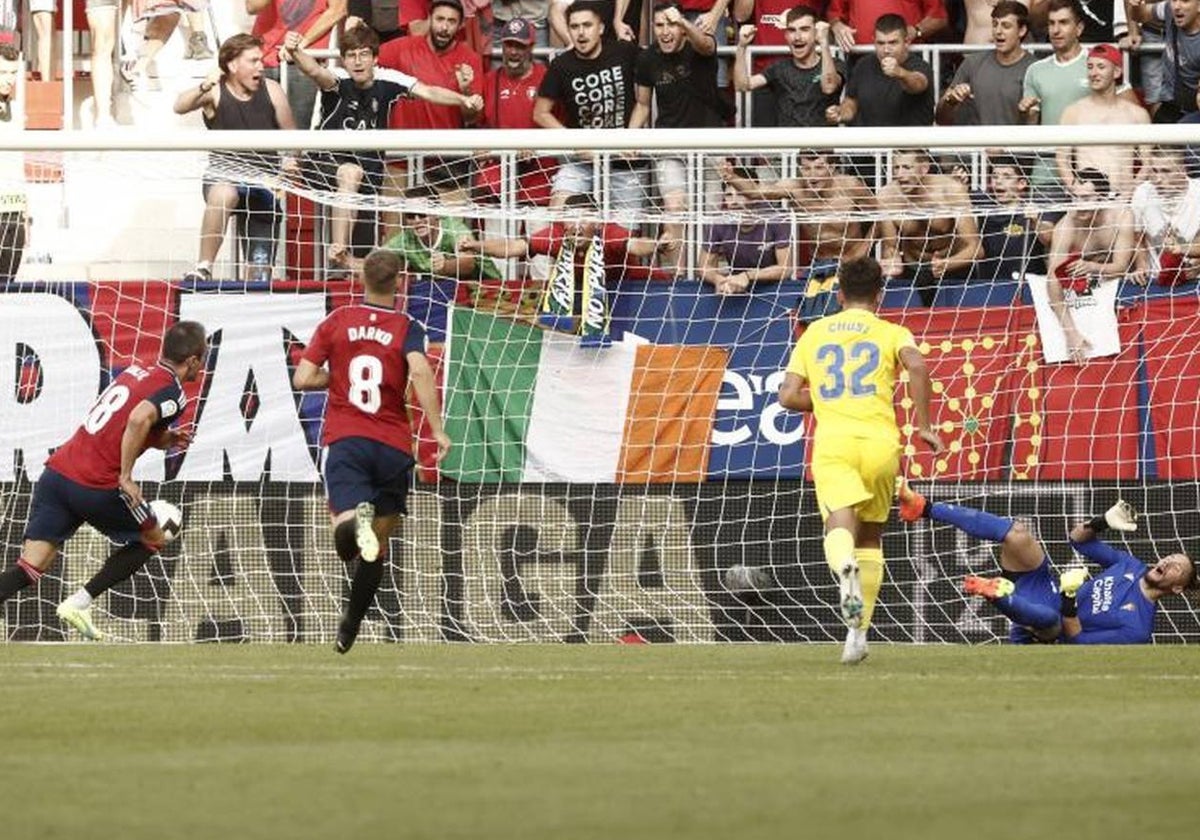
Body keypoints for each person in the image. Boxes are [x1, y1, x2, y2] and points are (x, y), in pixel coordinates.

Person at [778, 256, 945, 664]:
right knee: (871, 536)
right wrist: (924, 425)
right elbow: (919, 366)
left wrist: (826, 399)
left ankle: (844, 568)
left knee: (840, 523)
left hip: (835, 441)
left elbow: (786, 396)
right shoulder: (892, 330)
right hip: (881, 444)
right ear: (879, 296)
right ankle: (857, 636)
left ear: (838, 295)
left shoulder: (815, 332)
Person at [0, 321, 208, 640]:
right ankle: (79, 603)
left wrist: (161, 439)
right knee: (155, 536)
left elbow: (124, 424)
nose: (202, 365)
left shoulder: (134, 371)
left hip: (57, 476)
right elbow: (138, 418)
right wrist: (125, 477)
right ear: (192, 360)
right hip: (96, 485)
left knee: (30, 566)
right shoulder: (173, 392)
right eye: (203, 357)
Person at [293, 249, 451, 654]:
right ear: (399, 283)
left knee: (346, 538)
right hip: (395, 448)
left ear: (361, 280)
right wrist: (437, 430)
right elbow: (419, 371)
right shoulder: (408, 326)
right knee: (374, 549)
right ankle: (350, 627)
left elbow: (303, 377)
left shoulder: (337, 320)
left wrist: (336, 378)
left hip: (348, 441)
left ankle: (353, 520)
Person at [287, 24, 482, 272]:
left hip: (369, 174)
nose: (357, 62)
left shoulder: (389, 79)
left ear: (375, 58)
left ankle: (349, 280)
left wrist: (463, 99)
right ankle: (337, 251)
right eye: (351, 55)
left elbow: (429, 91)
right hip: (323, 166)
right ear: (344, 60)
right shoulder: (338, 79)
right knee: (350, 173)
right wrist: (295, 51)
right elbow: (315, 70)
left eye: (364, 54)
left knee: (365, 245)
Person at [897, 485, 1198, 643]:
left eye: (1176, 568)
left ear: (1178, 588)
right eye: (1170, 557)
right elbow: (1078, 540)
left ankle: (997, 594)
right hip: (1047, 592)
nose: (1167, 561)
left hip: (1049, 634)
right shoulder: (1129, 565)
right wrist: (1103, 521)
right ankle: (923, 508)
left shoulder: (1138, 629)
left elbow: (1078, 641)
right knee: (1017, 534)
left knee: (1050, 622)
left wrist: (1069, 599)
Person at [175, 33, 297, 284]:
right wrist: (204, 85)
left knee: (259, 279)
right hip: (225, 175)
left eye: (261, 61)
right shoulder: (215, 91)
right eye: (253, 61)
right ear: (232, 65)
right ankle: (204, 266)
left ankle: (256, 282)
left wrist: (290, 163)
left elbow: (294, 140)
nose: (261, 67)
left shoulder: (272, 90)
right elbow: (179, 105)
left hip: (264, 182)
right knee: (224, 194)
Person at [718, 150, 875, 320]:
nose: (812, 175)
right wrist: (731, 177)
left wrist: (864, 249)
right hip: (819, 267)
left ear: (832, 167)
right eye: (806, 169)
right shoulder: (795, 188)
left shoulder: (851, 186)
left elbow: (884, 216)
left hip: (853, 265)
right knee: (814, 316)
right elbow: (756, 193)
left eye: (819, 168)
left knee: (850, 316)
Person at [631, 2, 724, 269]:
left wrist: (683, 23)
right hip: (669, 144)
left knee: (711, 216)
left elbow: (706, 45)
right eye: (659, 25)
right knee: (674, 208)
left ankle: (708, 278)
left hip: (710, 143)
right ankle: (676, 279)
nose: (665, 31)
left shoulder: (698, 46)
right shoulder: (648, 58)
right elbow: (643, 105)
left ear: (682, 28)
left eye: (670, 24)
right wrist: (630, 137)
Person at [534, 1, 647, 211]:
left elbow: (643, 102)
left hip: (624, 161)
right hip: (581, 160)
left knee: (624, 234)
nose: (581, 33)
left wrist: (630, 138)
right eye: (574, 27)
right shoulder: (561, 65)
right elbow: (541, 113)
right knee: (558, 211)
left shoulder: (625, 52)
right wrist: (575, 142)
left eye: (587, 25)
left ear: (601, 28)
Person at [1046, 167, 1135, 362]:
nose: (1079, 205)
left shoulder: (1121, 217)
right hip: (1083, 295)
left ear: (1103, 198)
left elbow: (1122, 266)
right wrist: (1071, 334)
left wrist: (1092, 267)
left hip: (1119, 293)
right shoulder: (1066, 226)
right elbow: (1052, 280)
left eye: (1086, 198)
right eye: (1075, 198)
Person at [877, 149, 983, 306]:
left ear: (924, 168)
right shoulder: (887, 197)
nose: (899, 175)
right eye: (896, 168)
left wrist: (947, 264)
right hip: (913, 271)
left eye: (906, 167)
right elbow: (890, 248)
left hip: (955, 270)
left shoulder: (951, 190)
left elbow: (976, 249)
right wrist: (893, 264)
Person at [475, 17, 557, 206]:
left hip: (539, 163)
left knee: (537, 226)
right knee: (487, 194)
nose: (513, 51)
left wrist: (534, 144)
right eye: (508, 45)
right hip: (499, 162)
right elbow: (478, 123)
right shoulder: (490, 80)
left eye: (519, 46)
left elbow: (559, 123)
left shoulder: (547, 77)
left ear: (531, 47)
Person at [1057, 44, 1151, 197]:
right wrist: (1077, 189)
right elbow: (1062, 159)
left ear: (1116, 72)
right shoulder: (1073, 112)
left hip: (1123, 197)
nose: (1093, 73)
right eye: (1090, 67)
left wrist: (1131, 190)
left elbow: (1148, 162)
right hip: (1086, 198)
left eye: (1101, 67)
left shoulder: (1137, 114)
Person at [734, 9, 844, 129]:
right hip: (787, 145)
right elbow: (742, 85)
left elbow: (829, 87)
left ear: (816, 33)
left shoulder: (835, 64)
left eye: (805, 29)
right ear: (786, 36)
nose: (797, 37)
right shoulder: (779, 68)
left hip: (822, 145)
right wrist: (741, 46)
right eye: (792, 30)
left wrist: (824, 42)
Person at [250, 0, 347, 130]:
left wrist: (300, 45)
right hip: (263, 56)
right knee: (257, 132)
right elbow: (252, 7)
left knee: (295, 134)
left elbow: (338, 10)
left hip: (303, 61)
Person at [936, 1, 1036, 126]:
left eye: (1006, 26)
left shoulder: (1035, 69)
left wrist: (1029, 114)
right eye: (995, 25)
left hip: (1014, 144)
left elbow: (1040, 126)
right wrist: (951, 101)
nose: (998, 31)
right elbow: (940, 119)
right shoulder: (972, 63)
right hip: (976, 144)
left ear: (1021, 31)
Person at [827, 13, 934, 129]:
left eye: (893, 43)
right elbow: (851, 101)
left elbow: (918, 84)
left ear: (906, 42)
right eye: (881, 43)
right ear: (874, 41)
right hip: (869, 143)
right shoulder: (863, 65)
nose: (886, 49)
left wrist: (900, 73)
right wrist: (841, 113)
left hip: (907, 144)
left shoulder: (920, 66)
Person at [697, 179, 791, 294]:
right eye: (729, 195)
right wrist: (718, 280)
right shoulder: (719, 222)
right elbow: (704, 266)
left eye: (741, 194)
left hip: (775, 288)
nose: (734, 201)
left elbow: (785, 269)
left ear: (755, 195)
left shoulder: (776, 219)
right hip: (737, 286)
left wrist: (747, 276)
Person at [971, 155, 1054, 284]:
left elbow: (1050, 238)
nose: (998, 181)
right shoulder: (984, 205)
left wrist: (1035, 222)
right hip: (990, 286)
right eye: (994, 176)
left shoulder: (1035, 207)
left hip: (1030, 285)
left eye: (1007, 176)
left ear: (1022, 183)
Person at [1131, 143, 1200, 284]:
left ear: (1182, 170)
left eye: (1166, 171)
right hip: (1155, 279)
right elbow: (1138, 238)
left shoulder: (1198, 192)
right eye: (1154, 171)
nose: (1158, 178)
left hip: (1195, 280)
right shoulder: (1142, 193)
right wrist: (1141, 265)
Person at [0, 41, 28, 282]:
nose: (9, 79)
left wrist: (26, 215)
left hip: (13, 209)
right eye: (3, 73)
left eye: (13, 73)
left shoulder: (16, 110)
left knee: (7, 286)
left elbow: (18, 164)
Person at [827, 0, 948, 51]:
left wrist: (917, 30)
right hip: (860, 57)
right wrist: (837, 26)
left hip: (905, 56)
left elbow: (939, 18)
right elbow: (834, 13)